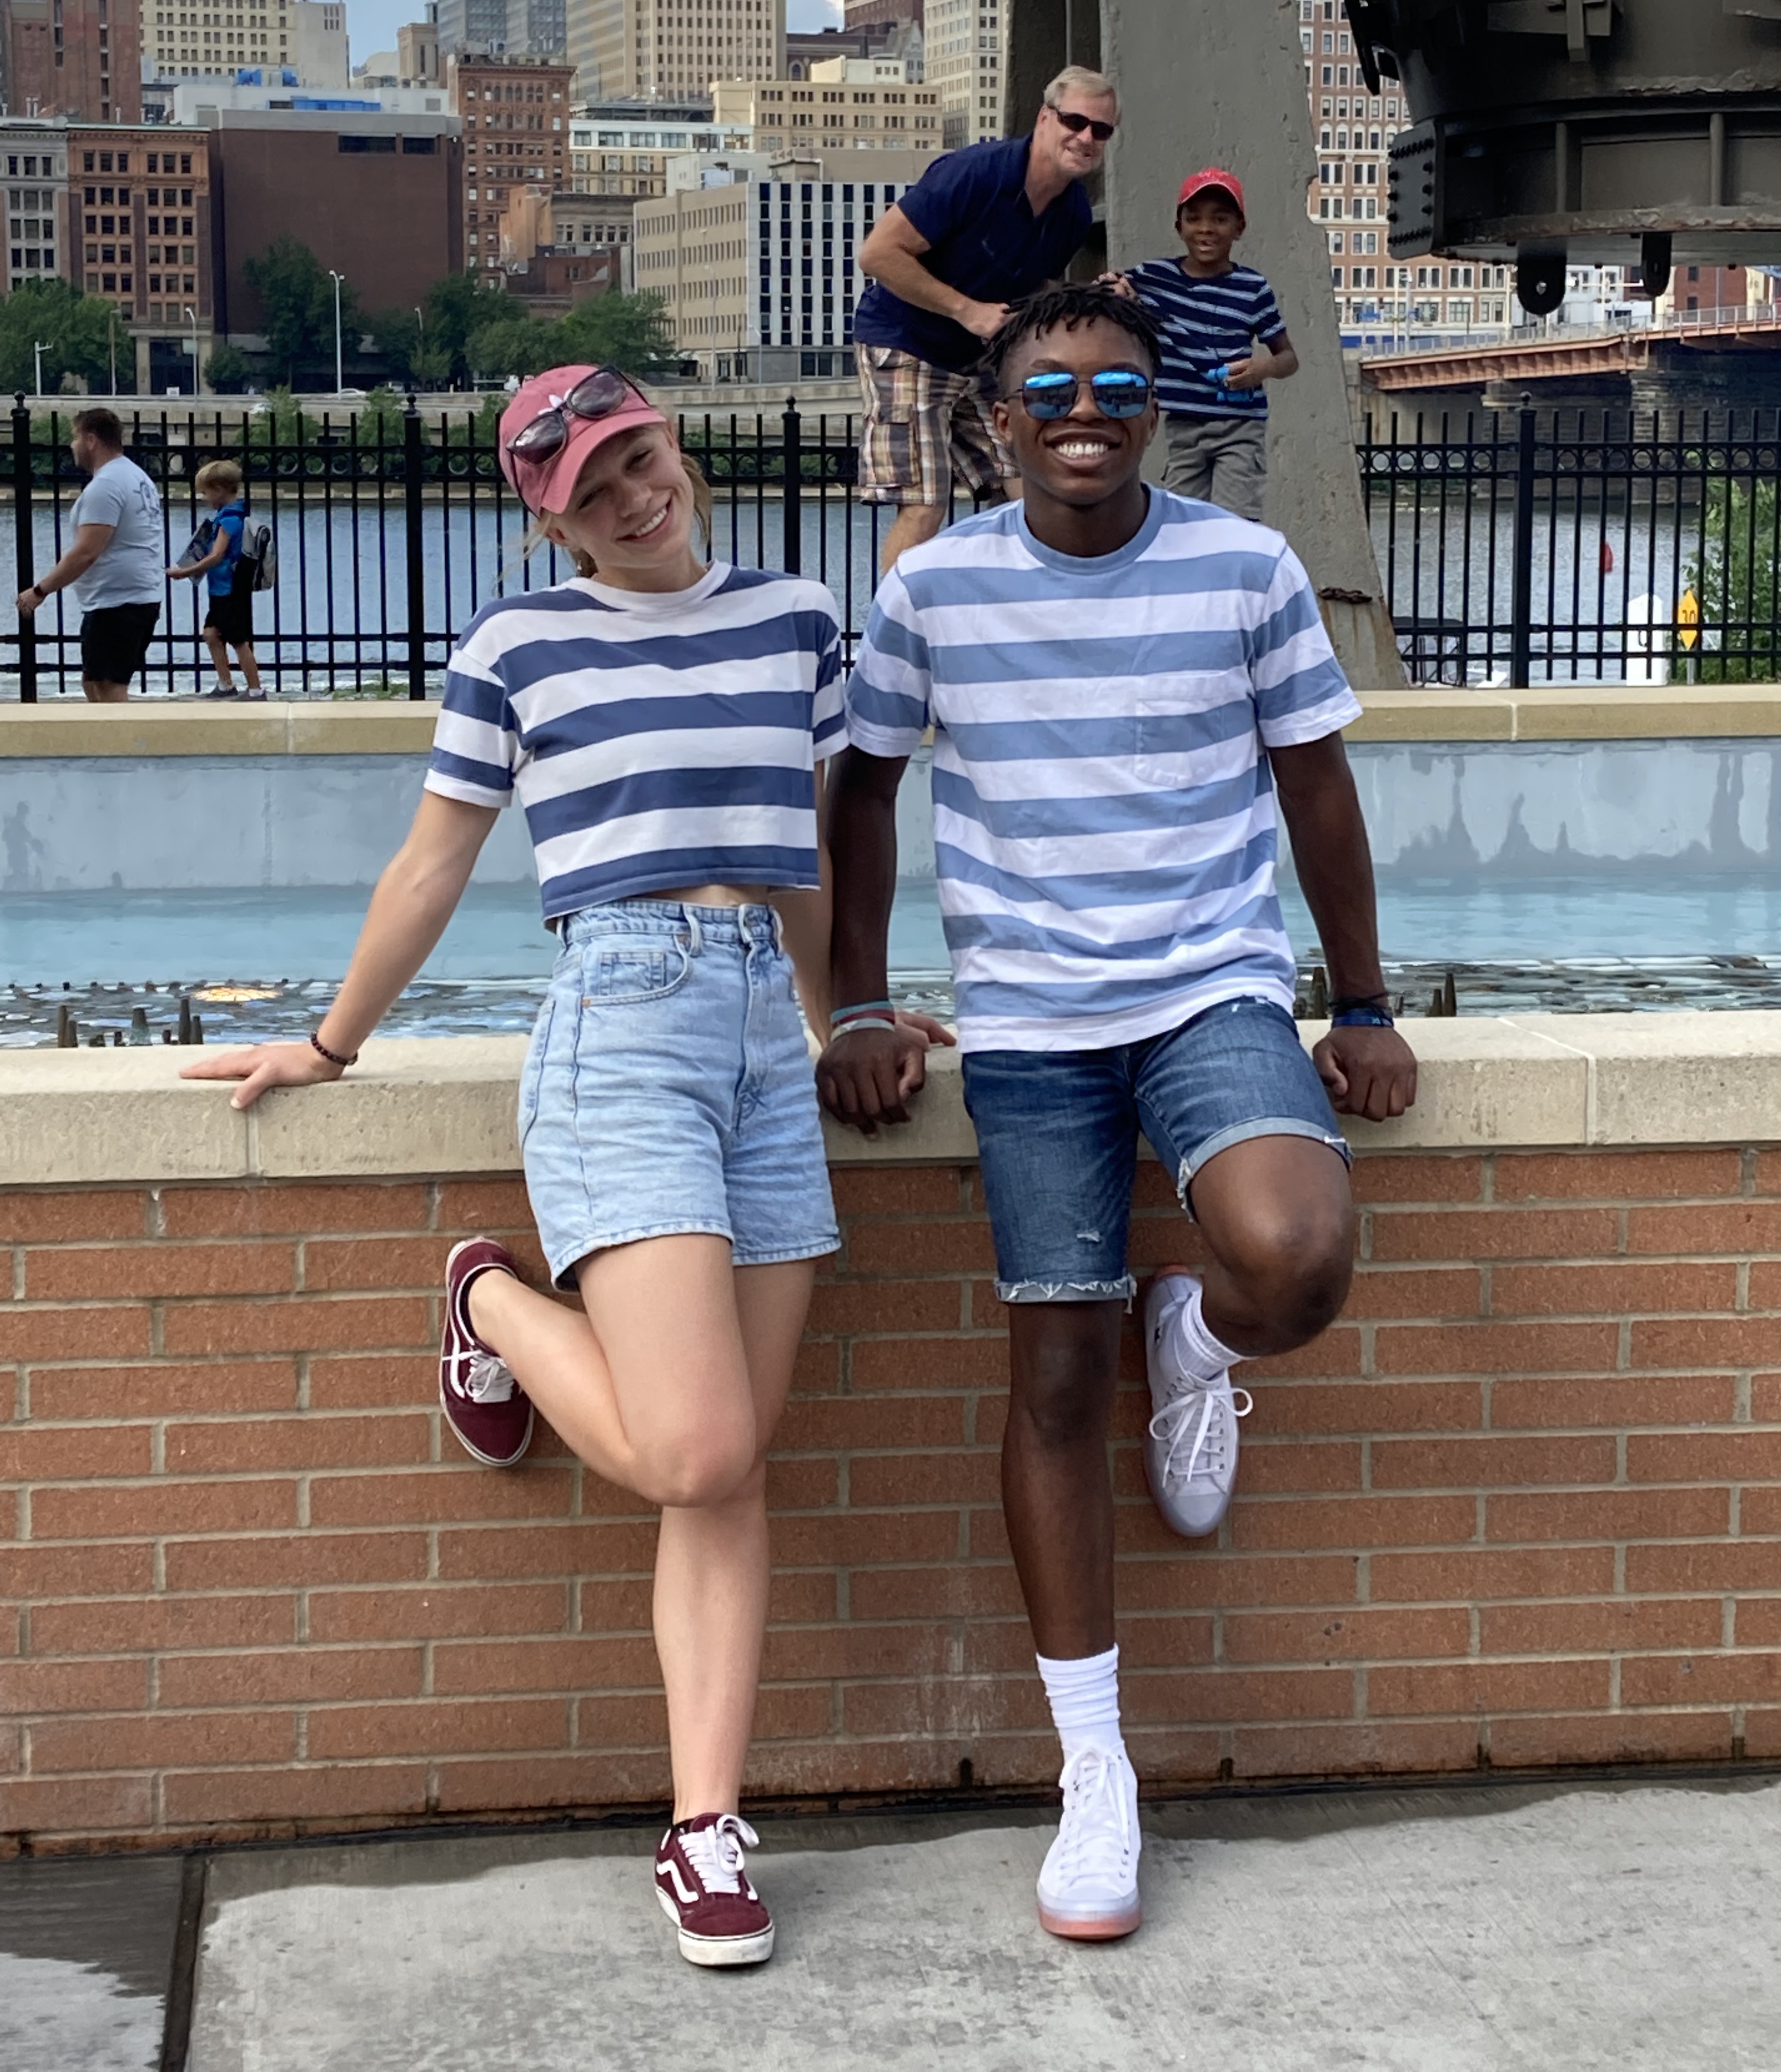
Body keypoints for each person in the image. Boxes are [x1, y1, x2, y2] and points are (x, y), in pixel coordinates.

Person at [182, 365, 948, 1971]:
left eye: (639, 458)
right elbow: (432, 863)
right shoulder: (515, 647)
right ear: (551, 520)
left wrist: (849, 1020)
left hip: (763, 1042)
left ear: (675, 442)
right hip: (623, 1025)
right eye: (591, 490)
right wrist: (327, 1045)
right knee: (694, 1449)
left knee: (732, 1466)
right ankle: (491, 1303)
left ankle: (703, 1828)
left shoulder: (798, 620)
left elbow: (809, 855)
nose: (633, 498)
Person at [819, 283, 1416, 1945]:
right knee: (1057, 1381)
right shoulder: (933, 589)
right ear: (996, 419)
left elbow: (1317, 786)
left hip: (1211, 990)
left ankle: (1198, 1335)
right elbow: (861, 791)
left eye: (1120, 389)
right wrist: (856, 1002)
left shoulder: (1247, 568)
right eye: (1052, 391)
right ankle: (1097, 1770)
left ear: (1157, 409)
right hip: (1027, 1025)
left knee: (1298, 1257)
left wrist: (1363, 1003)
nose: (1086, 413)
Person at [853, 64, 1117, 574]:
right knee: (926, 503)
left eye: (1101, 130)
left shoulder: (1074, 213)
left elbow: (1032, 291)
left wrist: (1089, 297)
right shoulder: (975, 173)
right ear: (1044, 118)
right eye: (1075, 122)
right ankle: (893, 623)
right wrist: (967, 310)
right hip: (906, 342)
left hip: (982, 357)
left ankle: (1032, 608)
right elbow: (878, 255)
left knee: (1034, 489)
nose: (1086, 138)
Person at [1119, 169, 1297, 523]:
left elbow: (1288, 358)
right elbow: (1107, 287)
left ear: (1239, 228)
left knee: (1235, 524)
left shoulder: (1252, 288)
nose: (1206, 228)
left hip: (1240, 426)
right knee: (1181, 524)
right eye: (1194, 218)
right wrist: (1116, 292)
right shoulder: (1153, 278)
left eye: (1220, 219)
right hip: (1184, 426)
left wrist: (1262, 368)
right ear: (1179, 227)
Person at [14, 408, 163, 702]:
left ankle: (122, 735)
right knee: (93, 682)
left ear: (91, 440)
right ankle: (109, 734)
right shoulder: (136, 476)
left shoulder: (107, 485)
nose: (73, 445)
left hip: (118, 602)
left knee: (108, 687)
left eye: (76, 437)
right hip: (129, 598)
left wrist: (40, 590)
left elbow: (87, 552)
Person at [167, 459, 265, 699]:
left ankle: (255, 690)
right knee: (212, 634)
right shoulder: (233, 515)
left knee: (238, 640)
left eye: (206, 492)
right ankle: (226, 685)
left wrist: (185, 571)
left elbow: (216, 555)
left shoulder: (228, 520)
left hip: (229, 590)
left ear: (219, 489)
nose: (205, 498)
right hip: (221, 590)